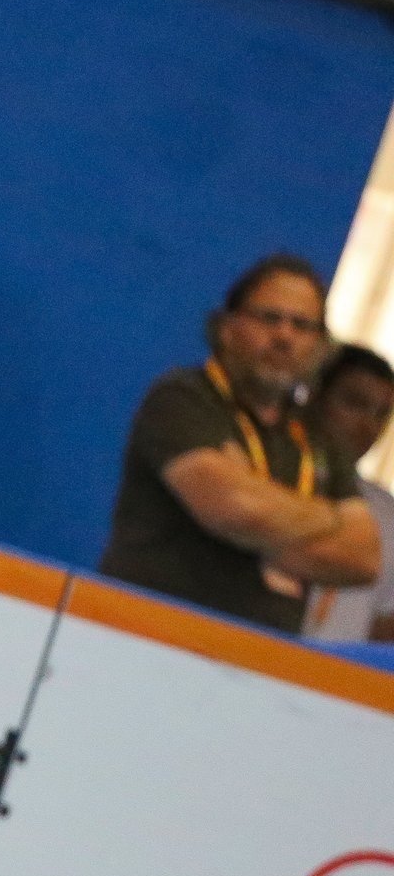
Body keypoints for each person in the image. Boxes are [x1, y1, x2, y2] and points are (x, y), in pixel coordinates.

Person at [98, 253, 379, 632]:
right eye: (269, 318)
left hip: (255, 659)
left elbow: (364, 558)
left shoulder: (317, 438)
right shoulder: (185, 398)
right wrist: (331, 518)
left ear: (318, 346)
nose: (284, 337)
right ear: (228, 328)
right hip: (144, 633)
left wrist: (254, 518)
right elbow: (236, 508)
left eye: (302, 326)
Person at [303, 343, 394, 641]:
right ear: (314, 397)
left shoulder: (387, 515)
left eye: (382, 413)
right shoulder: (267, 477)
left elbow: (382, 629)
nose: (367, 425)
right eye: (354, 403)